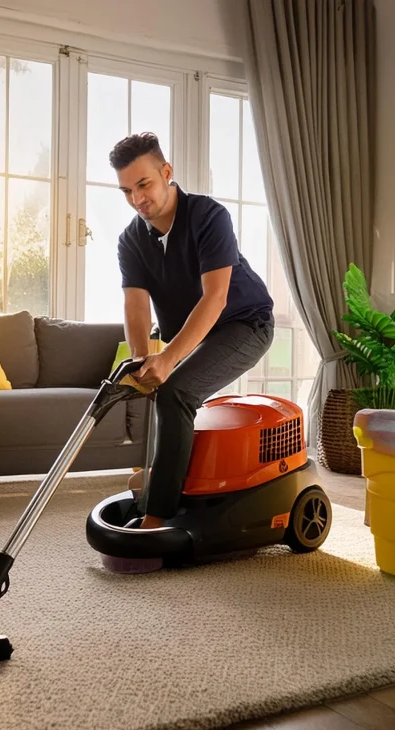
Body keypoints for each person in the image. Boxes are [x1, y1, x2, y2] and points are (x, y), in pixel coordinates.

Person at [110, 132, 275, 529]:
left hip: (244, 322)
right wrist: (139, 361)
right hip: (195, 331)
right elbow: (136, 305)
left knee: (176, 392)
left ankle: (157, 517)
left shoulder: (208, 216)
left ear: (166, 172)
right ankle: (164, 480)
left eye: (144, 184)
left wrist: (168, 358)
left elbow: (215, 298)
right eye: (127, 190)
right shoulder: (131, 240)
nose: (137, 199)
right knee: (158, 389)